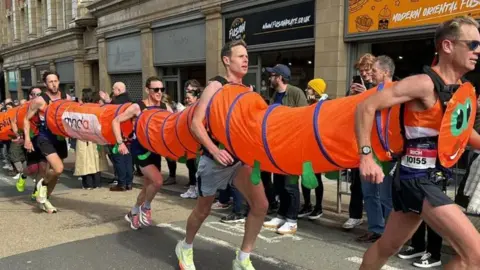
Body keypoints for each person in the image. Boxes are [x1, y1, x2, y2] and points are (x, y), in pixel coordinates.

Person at [355, 16, 480, 269]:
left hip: (430, 178)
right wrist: (366, 156)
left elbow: (463, 134)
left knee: (387, 247)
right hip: (416, 179)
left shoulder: (461, 88)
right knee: (475, 255)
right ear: (447, 46)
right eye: (473, 45)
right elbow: (365, 106)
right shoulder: (423, 84)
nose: (479, 51)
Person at [175, 39, 269, 270]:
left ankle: (243, 258)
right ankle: (185, 247)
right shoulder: (215, 86)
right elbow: (196, 124)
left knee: (261, 205)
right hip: (214, 160)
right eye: (240, 56)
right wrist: (215, 150)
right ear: (227, 60)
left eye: (247, 56)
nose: (245, 60)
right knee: (203, 210)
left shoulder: (247, 90)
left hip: (240, 160)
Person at [112, 76, 171, 230]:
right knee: (157, 181)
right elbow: (116, 121)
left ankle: (133, 212)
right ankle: (146, 207)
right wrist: (120, 143)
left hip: (155, 151)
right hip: (140, 151)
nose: (159, 92)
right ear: (147, 90)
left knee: (147, 187)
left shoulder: (165, 107)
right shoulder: (138, 107)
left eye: (161, 89)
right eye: (155, 89)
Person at [23, 71, 71, 213]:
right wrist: (26, 139)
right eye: (50, 82)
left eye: (55, 81)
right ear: (45, 84)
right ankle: (41, 185)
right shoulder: (39, 100)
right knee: (58, 168)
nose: (54, 84)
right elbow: (26, 119)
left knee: (56, 174)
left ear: (59, 81)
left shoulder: (66, 98)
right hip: (45, 138)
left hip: (60, 138)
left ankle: (45, 198)